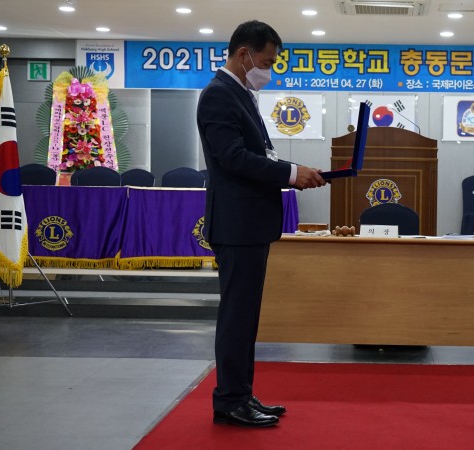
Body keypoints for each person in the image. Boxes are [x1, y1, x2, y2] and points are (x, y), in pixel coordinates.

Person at [196, 20, 326, 428]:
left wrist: (296, 171)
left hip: (250, 223)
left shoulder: (240, 94)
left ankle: (241, 393)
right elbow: (233, 158)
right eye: (266, 62)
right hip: (236, 224)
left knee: (246, 315)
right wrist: (291, 174)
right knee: (237, 315)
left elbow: (260, 156)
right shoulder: (218, 95)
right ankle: (229, 400)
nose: (268, 70)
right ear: (243, 55)